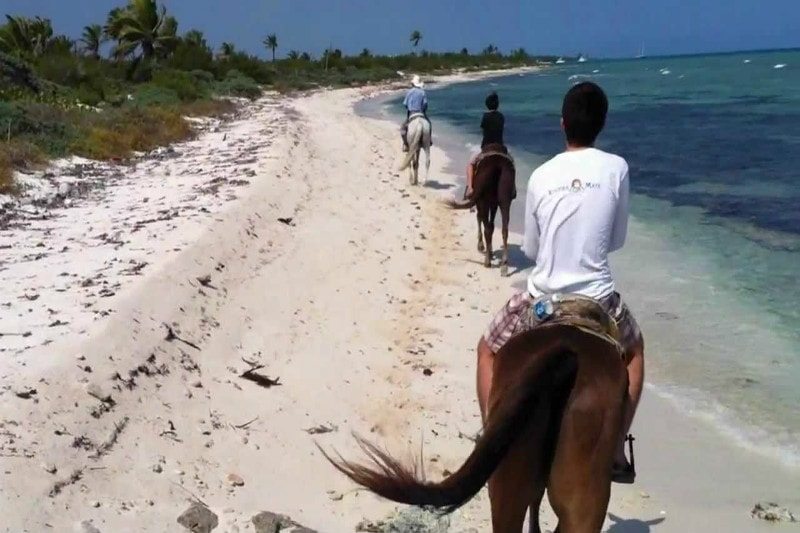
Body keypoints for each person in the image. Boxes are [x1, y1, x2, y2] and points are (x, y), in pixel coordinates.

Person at [476, 81, 644, 484]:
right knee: (635, 352)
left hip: (543, 301)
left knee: (486, 349)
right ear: (601, 125)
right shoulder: (617, 167)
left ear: (562, 123)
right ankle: (617, 444)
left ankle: (491, 436)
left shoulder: (542, 174)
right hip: (599, 301)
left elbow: (532, 249)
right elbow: (617, 240)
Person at [465, 91, 505, 197]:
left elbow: (484, 131)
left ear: (487, 105)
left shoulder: (485, 116)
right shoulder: (501, 117)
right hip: (500, 147)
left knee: (471, 164)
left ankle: (470, 188)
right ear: (498, 105)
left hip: (487, 147)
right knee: (511, 164)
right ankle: (512, 189)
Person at [401, 75, 432, 152]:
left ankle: (406, 145)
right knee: (429, 124)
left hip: (411, 114)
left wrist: (410, 108)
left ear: (413, 84)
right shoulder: (422, 92)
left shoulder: (409, 92)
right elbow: (425, 104)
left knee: (403, 129)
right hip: (421, 113)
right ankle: (429, 141)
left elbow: (405, 104)